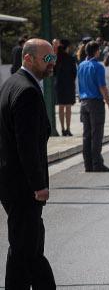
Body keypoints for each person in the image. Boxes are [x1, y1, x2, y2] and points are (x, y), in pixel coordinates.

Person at [0, 39, 57, 289]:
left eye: (53, 58)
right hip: (23, 186)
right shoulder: (27, 92)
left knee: (27, 245)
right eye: (47, 59)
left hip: (12, 181)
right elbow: (27, 146)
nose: (51, 63)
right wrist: (38, 185)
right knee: (27, 250)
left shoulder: (12, 84)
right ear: (28, 58)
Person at [77, 41, 109, 172]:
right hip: (95, 103)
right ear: (96, 51)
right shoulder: (98, 66)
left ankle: (87, 164)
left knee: (86, 134)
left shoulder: (81, 65)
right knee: (97, 134)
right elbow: (102, 87)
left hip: (84, 102)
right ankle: (97, 163)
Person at [54, 40, 77, 136]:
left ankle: (62, 129)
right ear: (67, 48)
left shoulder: (55, 57)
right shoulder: (71, 58)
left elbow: (45, 60)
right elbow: (74, 73)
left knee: (60, 107)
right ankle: (68, 129)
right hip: (69, 85)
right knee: (68, 108)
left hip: (59, 85)